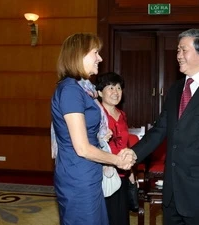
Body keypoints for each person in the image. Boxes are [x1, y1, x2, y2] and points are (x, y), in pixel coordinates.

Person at [131, 28, 199, 225]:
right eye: (177, 50)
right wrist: (132, 154)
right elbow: (160, 130)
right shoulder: (175, 89)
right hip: (172, 193)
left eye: (183, 50)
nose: (178, 56)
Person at [51, 33, 136, 225]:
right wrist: (117, 161)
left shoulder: (80, 89)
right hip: (78, 176)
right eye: (95, 53)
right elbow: (82, 148)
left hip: (87, 172)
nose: (100, 58)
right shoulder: (71, 90)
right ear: (78, 54)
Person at [94, 72, 137, 225]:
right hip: (103, 173)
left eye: (119, 88)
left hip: (122, 172)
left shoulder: (122, 115)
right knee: (106, 215)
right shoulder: (96, 114)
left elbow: (126, 145)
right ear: (99, 92)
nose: (116, 92)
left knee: (121, 216)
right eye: (111, 88)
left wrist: (131, 171)